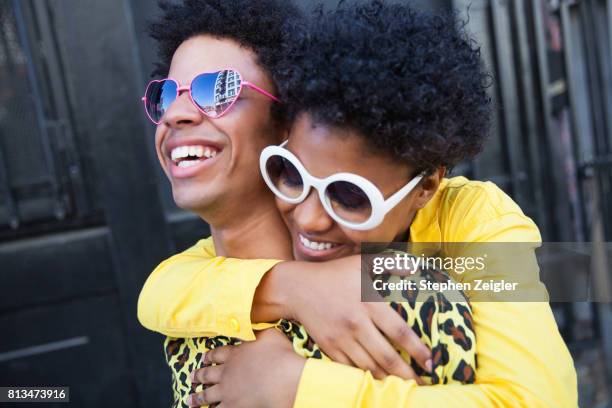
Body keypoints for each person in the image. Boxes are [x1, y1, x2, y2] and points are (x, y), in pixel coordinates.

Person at [139, 1, 578, 407]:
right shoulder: (270, 221)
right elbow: (162, 291)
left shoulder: (469, 222)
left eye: (349, 196)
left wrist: (296, 387)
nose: (309, 216)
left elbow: (540, 398)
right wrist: (292, 287)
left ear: (424, 188)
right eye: (291, 174)